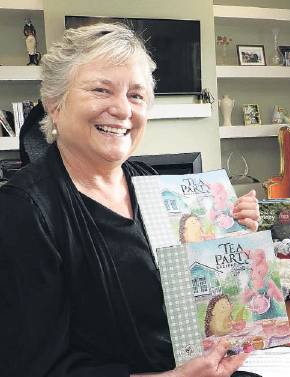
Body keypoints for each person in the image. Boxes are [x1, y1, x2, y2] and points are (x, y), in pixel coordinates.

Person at [0, 23, 260, 377]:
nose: (123, 110)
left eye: (136, 96)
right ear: (55, 106)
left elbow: (195, 290)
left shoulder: (150, 182)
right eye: (101, 90)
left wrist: (231, 236)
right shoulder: (23, 210)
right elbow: (33, 368)